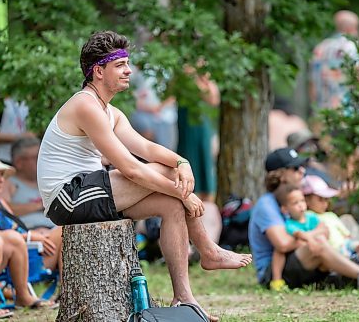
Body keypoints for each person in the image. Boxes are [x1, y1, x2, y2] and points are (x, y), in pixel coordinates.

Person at [36, 30, 250, 321]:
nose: (129, 70)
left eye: (128, 63)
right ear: (98, 71)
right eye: (121, 65)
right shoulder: (85, 105)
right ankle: (209, 251)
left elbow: (147, 149)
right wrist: (184, 191)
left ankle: (184, 297)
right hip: (68, 197)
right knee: (171, 185)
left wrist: (182, 162)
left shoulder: (110, 111)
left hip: (90, 191)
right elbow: (131, 168)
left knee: (171, 205)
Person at [248, 147, 359, 291]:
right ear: (280, 175)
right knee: (318, 244)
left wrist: (309, 237)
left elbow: (323, 230)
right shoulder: (267, 204)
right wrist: (311, 236)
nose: (302, 171)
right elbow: (283, 244)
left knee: (350, 257)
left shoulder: (295, 199)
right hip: (274, 273)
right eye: (295, 168)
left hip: (304, 260)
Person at [0, 153, 62, 288]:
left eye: (2, 175)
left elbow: (14, 228)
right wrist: (29, 236)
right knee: (64, 231)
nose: (1, 180)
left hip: (26, 251)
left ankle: (67, 290)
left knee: (64, 231)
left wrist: (34, 234)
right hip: (14, 262)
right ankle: (68, 290)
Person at [170, 60, 220, 202]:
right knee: (188, 154)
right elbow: (171, 93)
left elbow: (213, 99)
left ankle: (207, 193)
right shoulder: (181, 75)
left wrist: (201, 78)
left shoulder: (204, 77)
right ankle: (188, 189)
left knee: (203, 155)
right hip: (186, 123)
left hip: (201, 122)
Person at [269, 184, 328, 291]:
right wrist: (311, 240)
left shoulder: (311, 217)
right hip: (297, 253)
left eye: (302, 201)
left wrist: (314, 238)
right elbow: (300, 234)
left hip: (313, 248)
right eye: (295, 203)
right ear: (285, 209)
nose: (301, 205)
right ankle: (276, 280)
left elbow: (324, 229)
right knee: (278, 252)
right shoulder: (290, 224)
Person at [309, 10, 359, 111]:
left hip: (323, 112)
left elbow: (312, 84)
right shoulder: (356, 49)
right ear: (351, 28)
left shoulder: (320, 48)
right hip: (349, 112)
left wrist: (314, 108)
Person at [1, 137, 55, 231]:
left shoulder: (48, 179)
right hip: (31, 231)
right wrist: (41, 205)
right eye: (37, 157)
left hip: (56, 229)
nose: (41, 160)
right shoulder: (7, 182)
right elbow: (4, 209)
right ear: (19, 163)